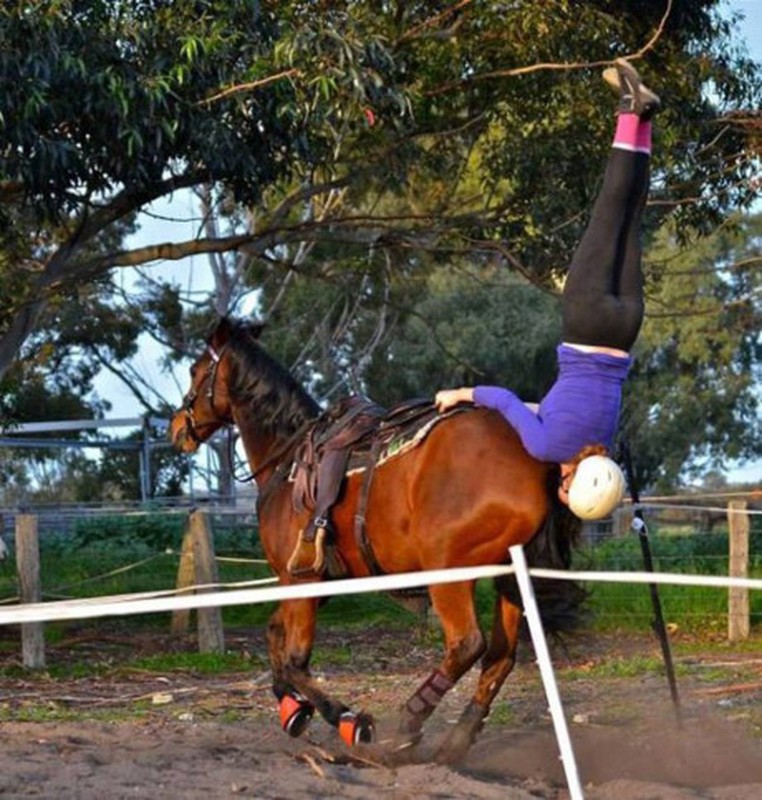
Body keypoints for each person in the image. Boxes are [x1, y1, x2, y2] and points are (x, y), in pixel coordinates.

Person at [435, 59, 660, 520]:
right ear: (572, 483)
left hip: (626, 326)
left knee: (632, 215)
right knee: (607, 210)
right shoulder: (543, 448)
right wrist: (459, 395)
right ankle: (629, 109)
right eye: (563, 493)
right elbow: (503, 400)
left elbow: (551, 407)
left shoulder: (601, 439)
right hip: (588, 320)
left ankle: (643, 119)